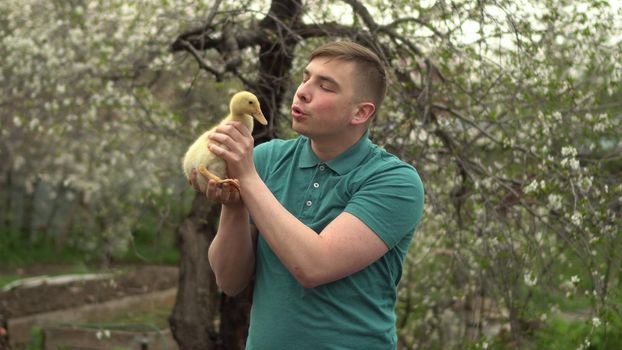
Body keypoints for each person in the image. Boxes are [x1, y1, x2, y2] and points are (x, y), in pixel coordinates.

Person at [191, 41, 424, 349]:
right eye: (305, 78)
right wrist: (234, 207)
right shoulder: (267, 159)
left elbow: (314, 266)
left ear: (360, 113)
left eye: (326, 86)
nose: (303, 91)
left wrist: (246, 178)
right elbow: (229, 281)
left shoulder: (394, 182)